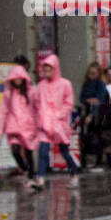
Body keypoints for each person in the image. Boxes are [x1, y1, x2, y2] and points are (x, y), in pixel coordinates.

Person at [31, 53, 80, 189]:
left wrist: (59, 115)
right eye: (44, 70)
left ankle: (74, 173)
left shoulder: (65, 84)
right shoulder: (41, 86)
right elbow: (35, 102)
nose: (46, 73)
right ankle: (40, 178)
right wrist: (39, 116)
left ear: (55, 69)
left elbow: (68, 103)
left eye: (49, 70)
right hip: (44, 123)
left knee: (64, 152)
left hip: (59, 124)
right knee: (43, 151)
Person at [0, 64, 38, 187]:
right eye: (15, 78)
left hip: (28, 126)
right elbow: (3, 111)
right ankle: (25, 169)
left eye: (19, 78)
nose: (17, 80)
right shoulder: (9, 93)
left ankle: (31, 175)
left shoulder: (31, 91)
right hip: (14, 126)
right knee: (15, 150)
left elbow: (37, 107)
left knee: (29, 152)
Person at [79, 61, 111, 170]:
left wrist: (92, 114)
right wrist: (90, 101)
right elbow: (82, 98)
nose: (91, 76)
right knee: (87, 138)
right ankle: (88, 160)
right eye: (90, 73)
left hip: (98, 115)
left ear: (98, 74)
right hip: (88, 111)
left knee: (97, 137)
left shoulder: (100, 84)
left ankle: (98, 160)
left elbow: (99, 101)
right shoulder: (86, 84)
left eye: (93, 73)